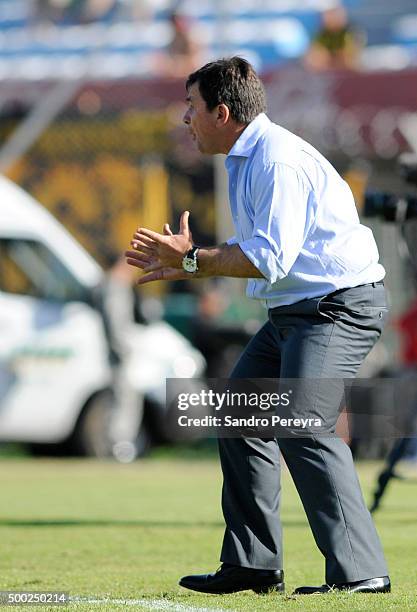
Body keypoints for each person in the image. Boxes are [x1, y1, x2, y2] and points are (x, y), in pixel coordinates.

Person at [125, 57, 391, 595]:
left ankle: (363, 574)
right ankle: (253, 564)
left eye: (191, 107)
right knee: (240, 412)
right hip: (298, 311)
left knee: (302, 422)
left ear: (222, 113)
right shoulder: (244, 158)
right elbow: (265, 260)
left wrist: (192, 260)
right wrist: (194, 262)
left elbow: (268, 258)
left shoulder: (275, 160)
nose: (185, 119)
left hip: (337, 307)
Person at [304, 5, 364, 71]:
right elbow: (313, 58)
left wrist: (332, 58)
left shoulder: (352, 31)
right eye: (327, 15)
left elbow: (350, 59)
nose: (328, 18)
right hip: (328, 75)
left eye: (333, 14)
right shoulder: (322, 33)